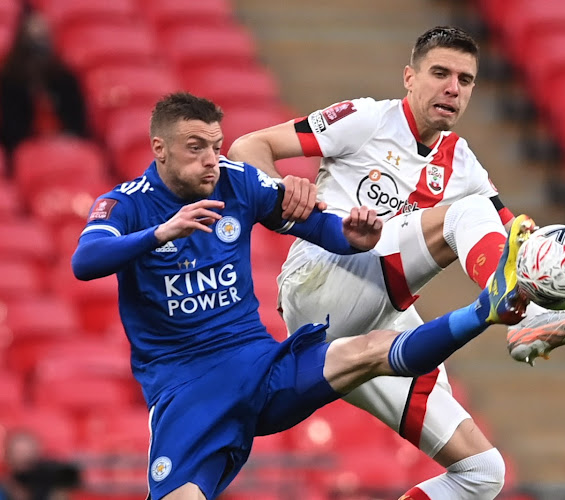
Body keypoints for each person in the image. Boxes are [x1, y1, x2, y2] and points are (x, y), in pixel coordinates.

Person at [227, 26, 565, 499]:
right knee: (468, 214)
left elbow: (533, 253)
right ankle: (526, 320)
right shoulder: (367, 119)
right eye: (440, 73)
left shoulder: (463, 164)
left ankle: (528, 316)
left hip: (374, 325)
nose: (453, 88)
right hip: (320, 287)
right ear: (409, 77)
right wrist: (284, 190)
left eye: (465, 80)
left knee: (482, 473)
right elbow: (246, 148)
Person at [70, 91, 539, 500]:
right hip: (189, 392)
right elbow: (86, 260)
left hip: (261, 368)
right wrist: (159, 233)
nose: (212, 159)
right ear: (160, 149)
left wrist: (351, 236)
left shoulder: (236, 182)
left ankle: (483, 311)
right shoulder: (127, 203)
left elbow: (315, 224)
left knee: (372, 349)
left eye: (215, 146)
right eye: (196, 149)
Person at [0, 10, 88, 159]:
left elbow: (77, 119)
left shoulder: (64, 79)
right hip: (24, 146)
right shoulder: (10, 80)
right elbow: (10, 127)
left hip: (66, 143)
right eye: (33, 43)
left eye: (42, 41)